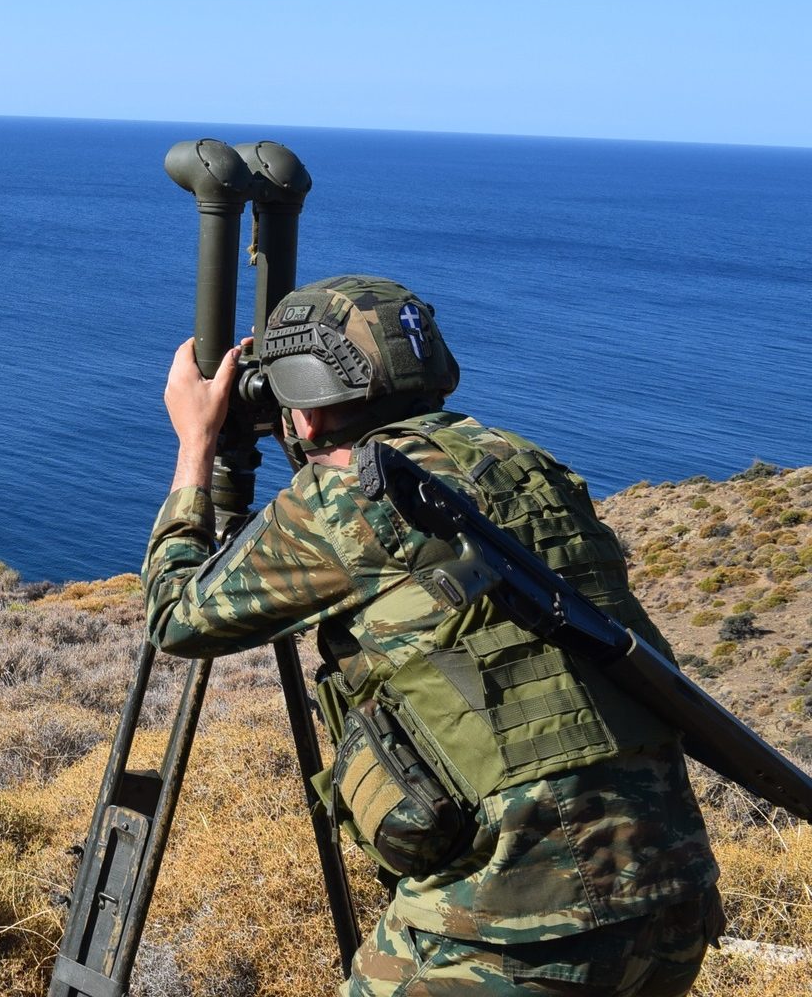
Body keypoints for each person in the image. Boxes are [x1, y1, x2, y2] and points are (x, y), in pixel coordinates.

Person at [142, 274, 722, 997]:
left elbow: (175, 616)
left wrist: (197, 446)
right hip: (674, 897)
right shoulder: (523, 461)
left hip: (518, 929)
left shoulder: (348, 497)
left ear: (309, 414)